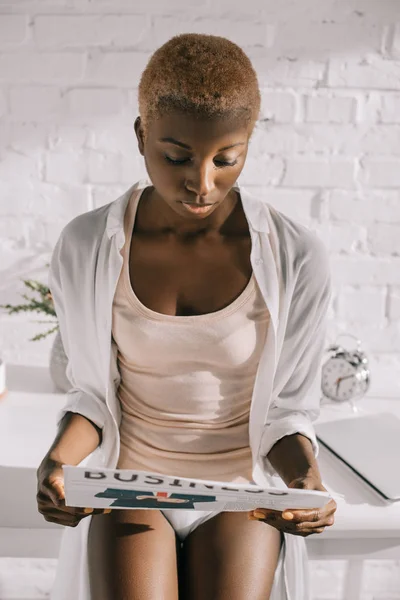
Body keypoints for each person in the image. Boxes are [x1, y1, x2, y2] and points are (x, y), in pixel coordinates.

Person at [36, 33, 337, 600]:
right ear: (141, 134)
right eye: (176, 157)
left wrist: (304, 481)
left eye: (227, 159)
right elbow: (92, 398)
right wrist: (56, 462)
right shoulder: (87, 244)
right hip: (129, 486)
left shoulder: (295, 255)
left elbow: (287, 410)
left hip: (241, 492)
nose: (202, 183)